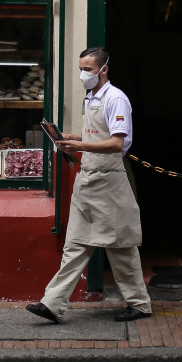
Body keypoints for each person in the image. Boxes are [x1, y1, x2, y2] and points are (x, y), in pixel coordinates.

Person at [26, 46, 152, 323]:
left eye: (88, 70)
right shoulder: (91, 98)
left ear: (104, 69)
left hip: (109, 181)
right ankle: (52, 303)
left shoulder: (116, 99)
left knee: (120, 246)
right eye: (81, 69)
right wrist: (69, 137)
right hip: (87, 180)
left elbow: (118, 143)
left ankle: (139, 304)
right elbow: (96, 135)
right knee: (75, 244)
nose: (83, 74)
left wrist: (79, 145)